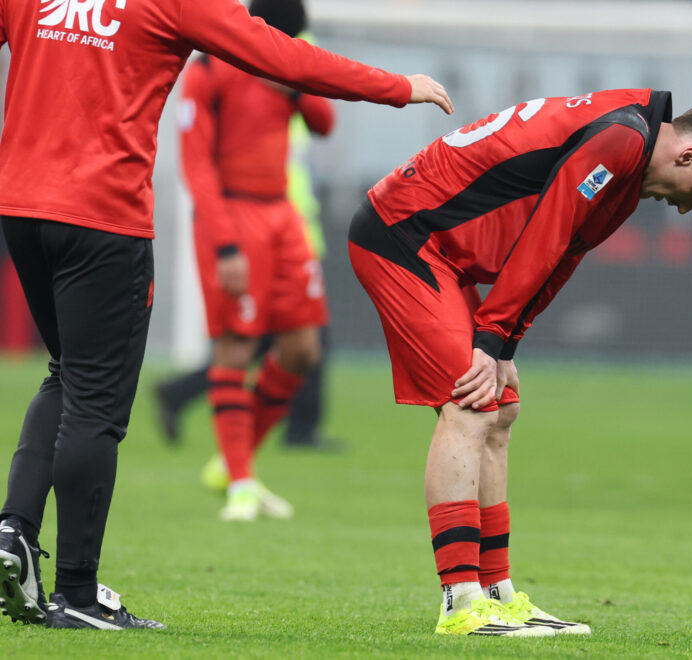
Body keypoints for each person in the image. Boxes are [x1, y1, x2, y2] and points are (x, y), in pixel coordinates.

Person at [0, 0, 452, 630]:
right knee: (95, 403)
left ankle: (14, 534)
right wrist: (399, 86)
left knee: (68, 375)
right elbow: (283, 53)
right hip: (102, 217)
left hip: (21, 207)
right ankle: (76, 594)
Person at [349, 89, 692, 636]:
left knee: (500, 409)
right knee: (470, 405)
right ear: (689, 155)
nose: (684, 208)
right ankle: (460, 602)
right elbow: (546, 233)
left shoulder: (630, 156)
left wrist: (506, 343)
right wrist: (490, 336)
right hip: (405, 233)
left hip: (438, 248)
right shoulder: (622, 138)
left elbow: (565, 251)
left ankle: (496, 594)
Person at [177, 0, 342, 520]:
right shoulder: (209, 68)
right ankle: (241, 484)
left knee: (303, 348)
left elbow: (324, 122)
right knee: (237, 345)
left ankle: (234, 463)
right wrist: (225, 244)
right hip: (233, 216)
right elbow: (196, 163)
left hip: (283, 215)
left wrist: (296, 79)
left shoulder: (287, 63)